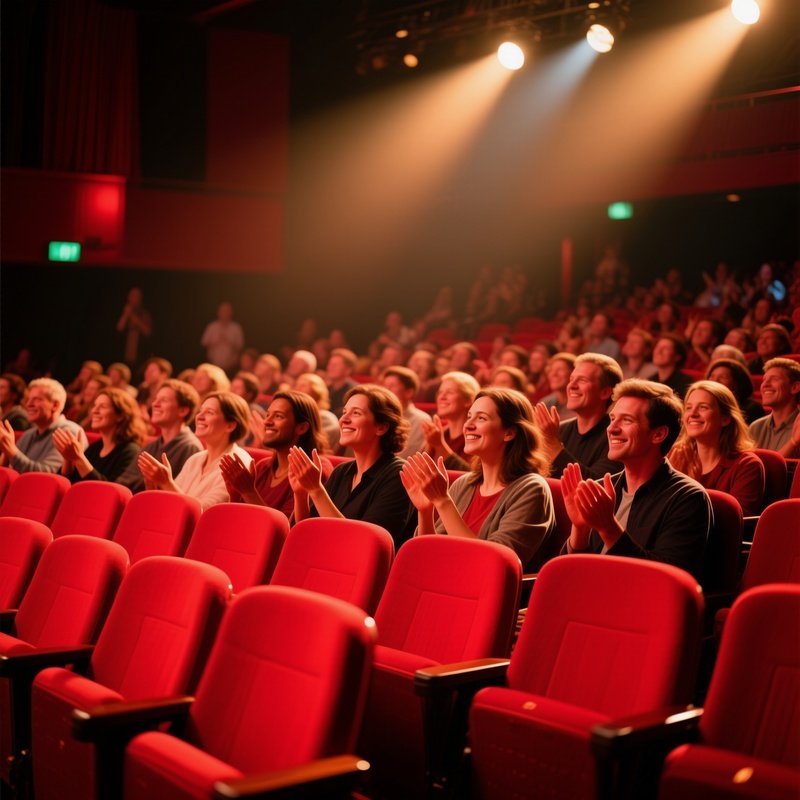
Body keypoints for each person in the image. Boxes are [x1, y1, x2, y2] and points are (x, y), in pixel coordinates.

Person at [560, 379, 711, 579]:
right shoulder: (600, 490)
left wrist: (608, 527)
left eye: (627, 420)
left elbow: (665, 581)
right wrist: (580, 529)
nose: (611, 428)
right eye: (612, 418)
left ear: (658, 434)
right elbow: (570, 576)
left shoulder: (688, 498)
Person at [401, 387, 555, 569]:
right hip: (442, 581)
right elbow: (425, 557)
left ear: (509, 433)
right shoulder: (464, 484)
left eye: (481, 418)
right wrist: (425, 511)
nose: (468, 425)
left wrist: (443, 501)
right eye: (469, 417)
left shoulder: (532, 489)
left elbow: (489, 565)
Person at [288, 384, 414, 549]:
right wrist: (301, 494)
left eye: (356, 413)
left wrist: (317, 490)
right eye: (344, 412)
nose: (343, 420)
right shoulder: (342, 471)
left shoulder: (399, 475)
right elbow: (307, 534)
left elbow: (361, 545)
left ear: (381, 427)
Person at [221, 390, 332, 518]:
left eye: (278, 416)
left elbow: (288, 530)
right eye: (267, 415)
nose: (267, 422)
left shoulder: (313, 470)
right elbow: (239, 520)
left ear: (302, 428)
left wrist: (248, 492)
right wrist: (235, 494)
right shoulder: (263, 467)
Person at [138, 391, 252, 510]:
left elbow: (206, 513)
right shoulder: (195, 459)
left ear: (230, 426)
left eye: (209, 412)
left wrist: (167, 483)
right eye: (200, 411)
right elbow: (172, 502)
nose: (199, 417)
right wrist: (154, 488)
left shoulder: (237, 464)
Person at [669, 381, 765, 516]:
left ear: (725, 418)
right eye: (689, 408)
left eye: (703, 407)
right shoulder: (677, 454)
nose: (693, 414)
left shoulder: (747, 465)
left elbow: (735, 521)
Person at [535, 352, 623, 479]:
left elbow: (595, 486)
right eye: (571, 379)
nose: (571, 386)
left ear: (604, 392)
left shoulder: (617, 435)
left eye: (582, 380)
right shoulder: (560, 430)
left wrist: (553, 445)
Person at [117, 379, 203, 493]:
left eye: (164, 400)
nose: (155, 404)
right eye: (155, 399)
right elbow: (123, 481)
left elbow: (171, 493)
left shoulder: (190, 447)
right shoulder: (151, 446)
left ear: (183, 410)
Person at [53, 387, 147, 483]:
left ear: (120, 416)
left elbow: (109, 491)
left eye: (102, 407)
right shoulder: (95, 447)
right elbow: (69, 483)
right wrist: (68, 458)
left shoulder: (130, 452)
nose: (94, 411)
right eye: (95, 406)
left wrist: (78, 458)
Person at [0, 378, 88, 473]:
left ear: (55, 405)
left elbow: (48, 476)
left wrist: (10, 449)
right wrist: (6, 451)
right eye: (28, 399)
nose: (28, 404)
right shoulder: (29, 434)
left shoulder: (68, 432)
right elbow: (10, 470)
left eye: (37, 399)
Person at [423, 371, 481, 470]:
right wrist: (430, 445)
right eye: (440, 392)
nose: (442, 397)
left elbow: (471, 476)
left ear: (468, 400)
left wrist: (439, 446)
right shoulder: (440, 434)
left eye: (449, 392)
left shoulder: (477, 437)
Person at [748, 357, 800, 458]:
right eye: (764, 380)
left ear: (794, 387)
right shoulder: (756, 427)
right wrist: (793, 442)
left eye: (774, 379)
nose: (765, 385)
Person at [381, 366, 432, 458]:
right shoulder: (379, 415)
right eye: (385, 385)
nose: (385, 390)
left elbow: (408, 456)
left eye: (392, 386)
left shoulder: (421, 420)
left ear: (409, 392)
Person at [705, 358, 765, 424]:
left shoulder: (751, 409)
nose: (715, 381)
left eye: (723, 377)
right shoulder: (702, 405)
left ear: (736, 384)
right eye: (712, 376)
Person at [294, 372, 341, 453]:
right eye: (296, 385)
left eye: (303, 385)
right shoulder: (296, 416)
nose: (296, 389)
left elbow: (314, 448)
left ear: (316, 392)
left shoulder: (326, 419)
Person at [200, 301, 245, 373]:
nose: (224, 313)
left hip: (231, 367)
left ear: (231, 313)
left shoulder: (236, 328)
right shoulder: (212, 327)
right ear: (218, 312)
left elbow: (240, 346)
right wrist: (216, 341)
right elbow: (204, 343)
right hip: (213, 366)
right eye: (222, 311)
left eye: (227, 311)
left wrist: (229, 341)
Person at [116, 287, 152, 366]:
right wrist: (126, 315)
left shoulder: (144, 313)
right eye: (131, 295)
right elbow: (119, 329)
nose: (133, 298)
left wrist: (133, 316)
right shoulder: (124, 312)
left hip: (140, 356)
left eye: (136, 296)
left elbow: (148, 332)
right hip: (124, 356)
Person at [538, 352, 577, 422]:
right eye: (551, 370)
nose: (553, 374)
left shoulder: (582, 403)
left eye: (560, 369)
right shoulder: (545, 403)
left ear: (574, 373)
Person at [652, 333, 693, 398]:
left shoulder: (686, 383)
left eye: (666, 348)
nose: (658, 351)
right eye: (657, 347)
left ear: (677, 357)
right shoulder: (650, 381)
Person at [325, 347, 358, 417]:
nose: (330, 368)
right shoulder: (326, 389)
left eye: (335, 365)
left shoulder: (355, 392)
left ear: (348, 370)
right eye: (330, 364)